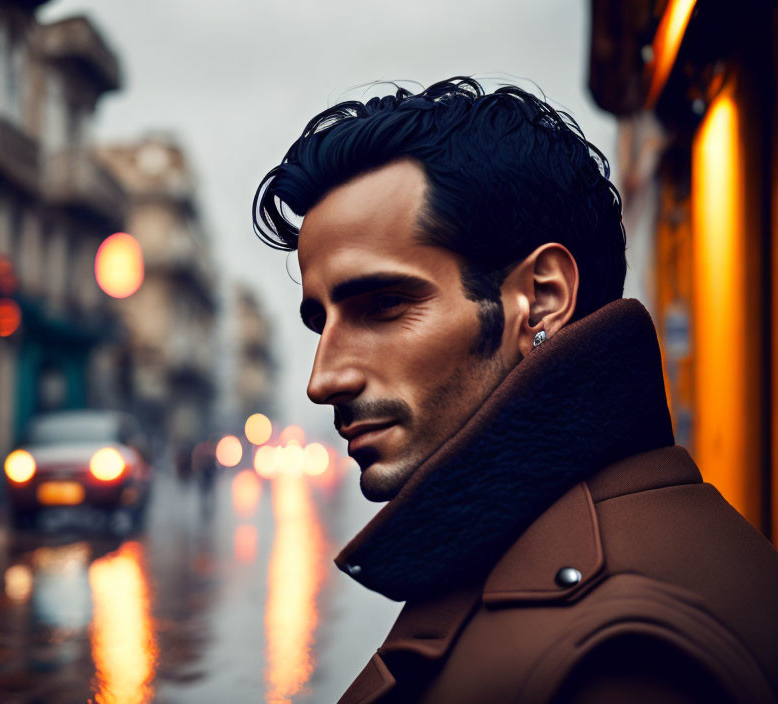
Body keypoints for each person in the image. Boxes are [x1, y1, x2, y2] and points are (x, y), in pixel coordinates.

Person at [252, 78, 778, 703]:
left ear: (543, 301)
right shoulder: (536, 561)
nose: (323, 380)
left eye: (384, 306)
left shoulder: (619, 655)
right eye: (321, 322)